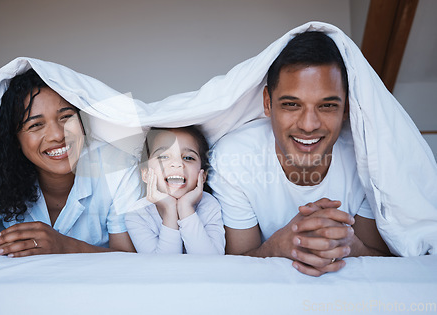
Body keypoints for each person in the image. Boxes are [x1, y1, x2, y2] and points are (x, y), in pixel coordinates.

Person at [209, 31, 392, 276]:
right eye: (291, 105)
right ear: (267, 103)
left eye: (327, 106)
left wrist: (351, 245)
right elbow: (237, 264)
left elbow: (387, 262)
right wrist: (277, 246)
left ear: (346, 108)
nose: (308, 125)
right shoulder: (234, 158)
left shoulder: (368, 156)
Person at [0, 68, 140, 257]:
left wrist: (65, 246)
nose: (57, 135)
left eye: (66, 117)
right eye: (36, 125)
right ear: (14, 138)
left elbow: (127, 257)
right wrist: (4, 244)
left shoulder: (117, 167)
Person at [125, 127, 225, 254]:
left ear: (203, 176)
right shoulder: (138, 214)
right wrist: (169, 210)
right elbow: (163, 267)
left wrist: (186, 208)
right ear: (145, 174)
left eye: (188, 158)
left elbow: (211, 261)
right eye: (163, 156)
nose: (177, 163)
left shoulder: (209, 205)